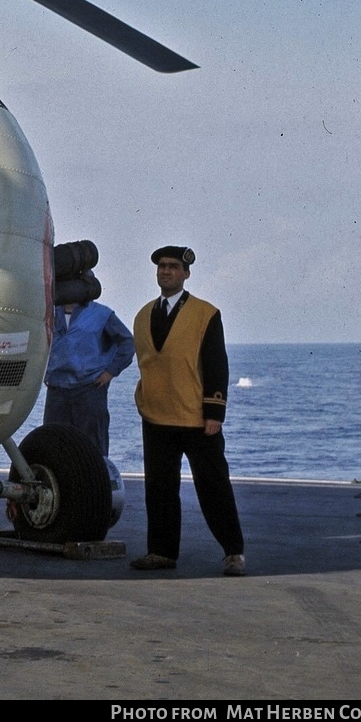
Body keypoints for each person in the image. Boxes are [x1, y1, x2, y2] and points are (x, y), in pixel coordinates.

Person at [128, 246, 247, 577]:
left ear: (186, 274)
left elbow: (216, 364)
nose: (166, 271)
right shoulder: (141, 315)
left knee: (213, 487)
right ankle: (161, 551)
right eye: (162, 267)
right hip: (156, 416)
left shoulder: (205, 314)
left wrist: (215, 413)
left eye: (173, 267)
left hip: (196, 418)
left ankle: (234, 552)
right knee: (159, 488)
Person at [44, 291, 134, 456]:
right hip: (57, 391)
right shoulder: (49, 314)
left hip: (89, 390)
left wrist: (110, 372)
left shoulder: (100, 314)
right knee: (53, 444)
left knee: (92, 447)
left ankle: (94, 480)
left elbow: (127, 342)